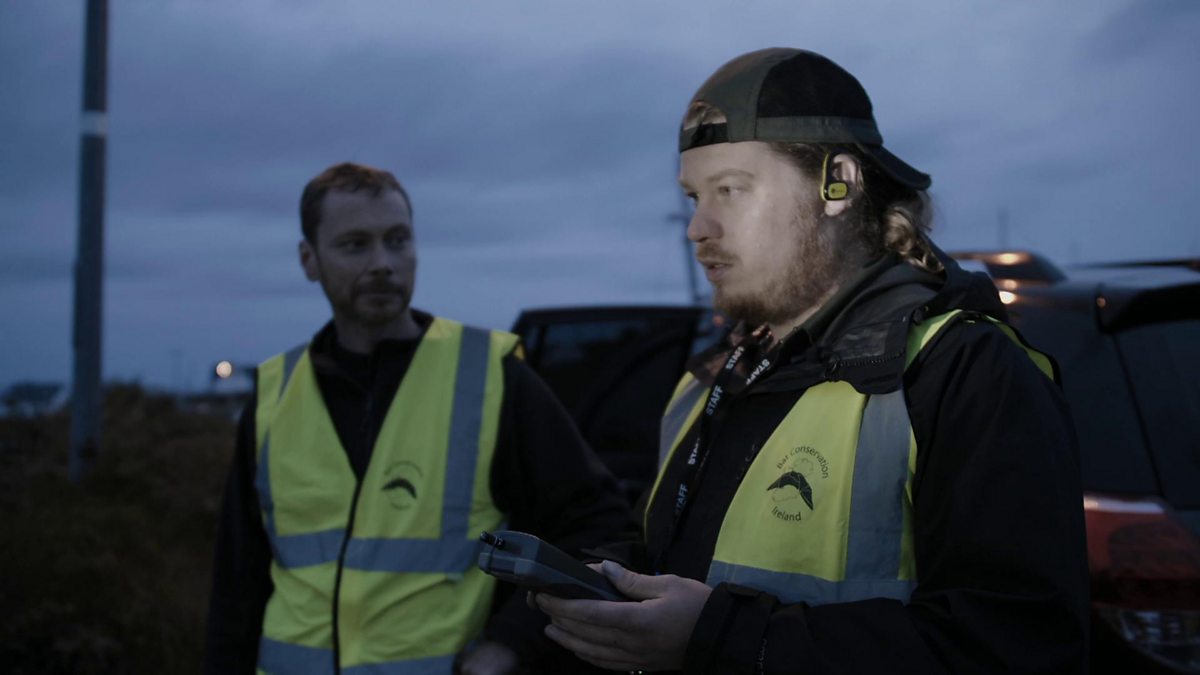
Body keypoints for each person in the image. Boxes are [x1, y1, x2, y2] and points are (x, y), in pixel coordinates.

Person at [535, 48, 1089, 674]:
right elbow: (684, 557)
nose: (697, 227)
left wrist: (722, 637)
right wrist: (607, 580)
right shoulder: (716, 375)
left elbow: (1017, 647)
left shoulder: (962, 370)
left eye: (730, 190)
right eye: (693, 197)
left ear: (838, 184)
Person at [204, 162, 634, 674]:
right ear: (308, 259)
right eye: (355, 245)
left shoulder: (490, 377)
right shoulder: (274, 395)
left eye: (397, 240)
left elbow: (597, 527)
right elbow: (237, 586)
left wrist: (510, 643)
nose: (383, 264)